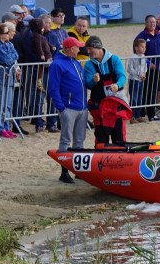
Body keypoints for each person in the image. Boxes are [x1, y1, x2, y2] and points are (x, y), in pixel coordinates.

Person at [48, 37, 88, 184]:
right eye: (77, 47)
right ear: (71, 49)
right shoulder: (57, 64)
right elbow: (53, 88)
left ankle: (77, 172)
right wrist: (62, 108)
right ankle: (64, 172)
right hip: (69, 108)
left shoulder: (75, 62)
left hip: (81, 107)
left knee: (79, 140)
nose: (79, 50)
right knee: (65, 139)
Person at [83, 36, 127, 145]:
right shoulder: (89, 65)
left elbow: (122, 76)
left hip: (116, 108)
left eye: (90, 49)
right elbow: (88, 84)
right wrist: (93, 80)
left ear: (98, 47)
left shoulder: (114, 59)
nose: (88, 52)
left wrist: (117, 85)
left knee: (119, 139)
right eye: (87, 49)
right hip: (100, 109)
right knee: (101, 140)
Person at [134, 15, 160, 121]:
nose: (152, 24)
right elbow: (138, 52)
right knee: (144, 92)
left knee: (154, 91)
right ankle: (142, 114)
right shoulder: (141, 36)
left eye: (154, 22)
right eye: (149, 22)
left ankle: (152, 114)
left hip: (158, 70)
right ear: (145, 23)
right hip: (145, 70)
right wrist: (148, 63)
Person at [126, 39, 148, 122]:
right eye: (142, 47)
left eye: (144, 47)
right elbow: (129, 69)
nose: (144, 48)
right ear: (136, 48)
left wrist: (143, 74)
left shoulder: (144, 57)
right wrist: (139, 74)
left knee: (139, 98)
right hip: (134, 80)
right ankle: (132, 116)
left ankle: (138, 115)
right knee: (134, 98)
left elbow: (145, 67)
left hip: (141, 80)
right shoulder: (133, 57)